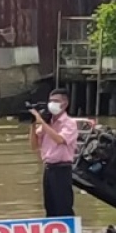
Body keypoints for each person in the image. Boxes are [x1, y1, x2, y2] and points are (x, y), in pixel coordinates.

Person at [31, 88, 78, 218]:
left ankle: (68, 232)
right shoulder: (48, 122)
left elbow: (59, 139)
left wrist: (42, 122)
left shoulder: (69, 123)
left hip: (62, 169)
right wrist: (33, 124)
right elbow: (34, 146)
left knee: (63, 206)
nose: (52, 104)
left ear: (65, 104)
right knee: (50, 206)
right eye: (50, 101)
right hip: (49, 167)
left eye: (56, 101)